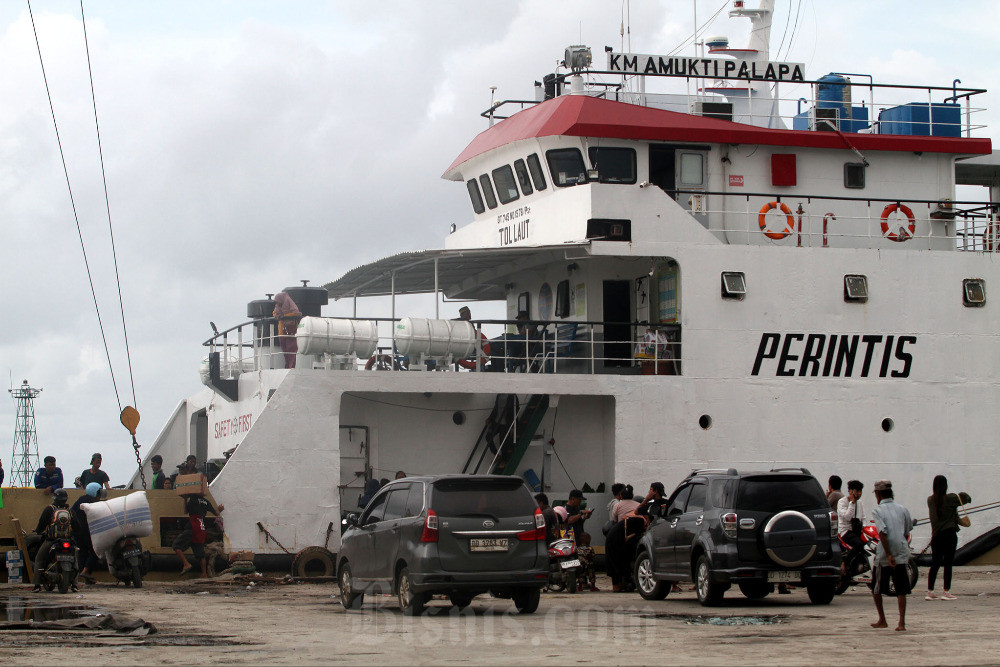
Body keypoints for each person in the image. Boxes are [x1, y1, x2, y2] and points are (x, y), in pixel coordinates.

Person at [869, 479, 913, 631]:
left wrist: (888, 554)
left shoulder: (877, 511)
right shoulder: (902, 509)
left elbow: (882, 533)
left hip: (885, 553)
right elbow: (907, 530)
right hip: (901, 549)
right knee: (901, 588)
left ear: (878, 495)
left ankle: (882, 619)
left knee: (877, 588)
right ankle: (901, 623)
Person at [926, 475, 966, 601]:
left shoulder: (930, 500)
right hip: (949, 534)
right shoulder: (951, 498)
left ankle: (930, 591)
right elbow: (966, 498)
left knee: (935, 563)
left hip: (936, 535)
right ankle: (946, 592)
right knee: (948, 563)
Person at [31, 488, 78, 592]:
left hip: (52, 540)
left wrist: (38, 531)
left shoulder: (49, 509)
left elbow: (41, 525)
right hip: (68, 540)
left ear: (54, 498)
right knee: (74, 560)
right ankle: (75, 585)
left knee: (39, 559)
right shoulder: (70, 511)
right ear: (66, 499)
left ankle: (37, 585)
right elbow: (78, 527)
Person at [173, 494, 224, 578]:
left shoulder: (193, 500)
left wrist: (185, 499)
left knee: (176, 545)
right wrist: (219, 509)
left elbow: (185, 512)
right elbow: (216, 513)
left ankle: (186, 564)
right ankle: (204, 573)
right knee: (200, 552)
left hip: (192, 526)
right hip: (201, 527)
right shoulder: (206, 502)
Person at [71, 483, 104, 584]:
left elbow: (72, 511)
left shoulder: (81, 499)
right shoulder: (94, 501)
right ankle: (85, 571)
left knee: (82, 553)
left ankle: (83, 574)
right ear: (95, 492)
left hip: (77, 531)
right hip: (88, 530)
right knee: (96, 551)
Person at [837, 480, 866, 576]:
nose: (859, 493)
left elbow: (863, 517)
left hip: (857, 531)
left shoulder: (860, 502)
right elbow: (847, 517)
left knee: (867, 545)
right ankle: (845, 563)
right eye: (857, 491)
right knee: (858, 545)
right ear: (850, 491)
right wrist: (852, 503)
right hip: (845, 531)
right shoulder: (842, 502)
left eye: (860, 491)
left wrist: (864, 528)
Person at [273, 291, 302, 369]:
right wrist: (278, 316)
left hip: (291, 331)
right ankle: (288, 366)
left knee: (292, 349)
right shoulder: (278, 307)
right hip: (282, 332)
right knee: (285, 351)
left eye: (278, 301)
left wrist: (285, 316)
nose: (277, 304)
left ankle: (291, 366)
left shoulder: (289, 302)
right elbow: (275, 313)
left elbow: (296, 313)